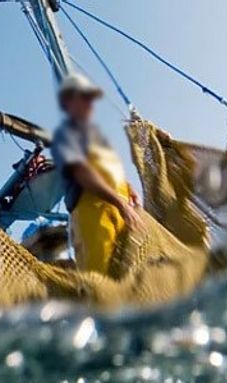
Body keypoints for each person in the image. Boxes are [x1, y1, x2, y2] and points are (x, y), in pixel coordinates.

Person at [51, 73, 140, 275]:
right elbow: (82, 173)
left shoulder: (96, 137)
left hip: (119, 212)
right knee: (104, 280)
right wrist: (120, 202)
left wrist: (128, 187)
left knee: (131, 274)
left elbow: (107, 171)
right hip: (92, 218)